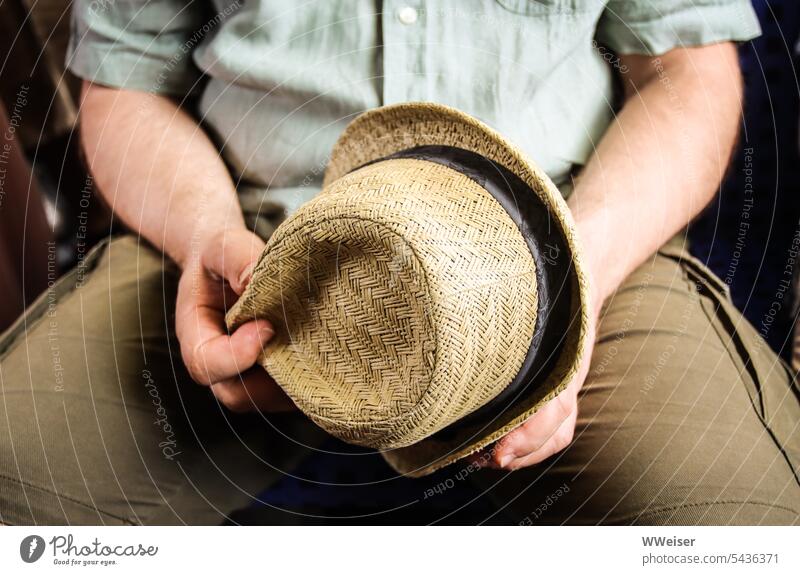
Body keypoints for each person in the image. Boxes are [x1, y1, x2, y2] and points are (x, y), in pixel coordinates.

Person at [1, 0, 797, 525]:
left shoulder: (571, 259)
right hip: (245, 230)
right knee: (17, 480)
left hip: (569, 235)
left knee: (732, 523)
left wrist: (566, 301)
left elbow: (688, 75)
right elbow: (127, 81)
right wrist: (203, 233)